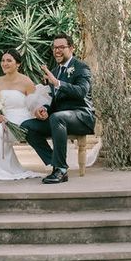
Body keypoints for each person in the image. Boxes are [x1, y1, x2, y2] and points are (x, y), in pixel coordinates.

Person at [22, 33, 95, 184]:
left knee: (58, 117)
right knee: (26, 127)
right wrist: (44, 110)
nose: (57, 51)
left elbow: (82, 92)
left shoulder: (82, 67)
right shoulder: (54, 72)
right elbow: (55, 101)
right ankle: (55, 163)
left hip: (82, 116)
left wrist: (58, 83)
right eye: (55, 47)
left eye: (62, 47)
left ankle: (61, 170)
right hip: (59, 119)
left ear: (71, 48)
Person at [0, 50, 45, 180]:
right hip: (1, 117)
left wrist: (40, 113)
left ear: (18, 64)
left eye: (9, 61)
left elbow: (34, 105)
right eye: (3, 60)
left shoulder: (26, 82)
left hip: (19, 118)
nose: (5, 63)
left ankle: (2, 169)